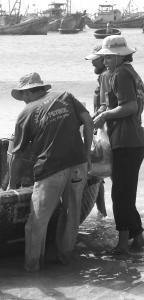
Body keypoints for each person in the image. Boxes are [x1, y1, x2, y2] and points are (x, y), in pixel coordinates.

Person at [9, 72, 93, 272]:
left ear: (28, 92)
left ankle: (33, 267)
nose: (23, 101)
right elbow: (88, 122)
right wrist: (87, 154)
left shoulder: (26, 113)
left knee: (36, 222)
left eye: (23, 96)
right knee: (71, 213)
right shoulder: (66, 97)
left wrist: (12, 185)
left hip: (50, 169)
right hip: (78, 165)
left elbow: (17, 155)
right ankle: (65, 260)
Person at [93, 35, 144, 254]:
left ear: (120, 56)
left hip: (126, 141)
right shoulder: (131, 73)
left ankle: (123, 243)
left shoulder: (121, 73)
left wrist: (105, 116)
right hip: (133, 139)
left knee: (121, 194)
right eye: (103, 56)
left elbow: (130, 106)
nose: (104, 60)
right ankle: (138, 238)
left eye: (108, 56)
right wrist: (103, 111)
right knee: (126, 192)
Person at [85, 45, 111, 217]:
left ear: (104, 59)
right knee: (99, 178)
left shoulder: (104, 76)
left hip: (106, 131)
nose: (92, 62)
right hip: (103, 129)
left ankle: (105, 215)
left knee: (98, 173)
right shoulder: (105, 76)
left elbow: (105, 106)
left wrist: (89, 122)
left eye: (95, 58)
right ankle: (103, 215)